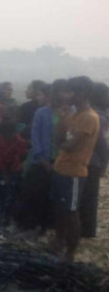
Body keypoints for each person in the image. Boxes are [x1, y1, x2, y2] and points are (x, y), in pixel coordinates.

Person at [51, 76, 100, 261]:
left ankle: (70, 252)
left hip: (74, 173)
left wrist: (63, 141)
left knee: (71, 213)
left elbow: (70, 146)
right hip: (60, 168)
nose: (67, 95)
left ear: (83, 93)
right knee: (60, 209)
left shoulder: (89, 117)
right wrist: (62, 119)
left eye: (71, 91)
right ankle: (59, 242)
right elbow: (57, 139)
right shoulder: (72, 115)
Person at [16, 84, 56, 231]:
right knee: (30, 192)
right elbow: (36, 137)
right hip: (39, 160)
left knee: (48, 197)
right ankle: (26, 224)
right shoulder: (41, 112)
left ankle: (44, 226)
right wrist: (42, 159)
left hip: (59, 162)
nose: (40, 97)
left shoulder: (69, 113)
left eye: (42, 94)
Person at [80, 82, 109, 239]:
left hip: (88, 160)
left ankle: (86, 231)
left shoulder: (95, 115)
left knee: (86, 196)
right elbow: (103, 143)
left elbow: (103, 143)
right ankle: (87, 230)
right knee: (89, 197)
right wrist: (104, 162)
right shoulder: (100, 116)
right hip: (93, 161)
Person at [0, 108, 28, 227]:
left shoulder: (19, 142)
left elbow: (20, 158)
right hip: (2, 169)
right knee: (1, 193)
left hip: (14, 170)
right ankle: (0, 217)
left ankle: (8, 218)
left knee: (11, 195)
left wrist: (9, 173)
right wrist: (4, 172)